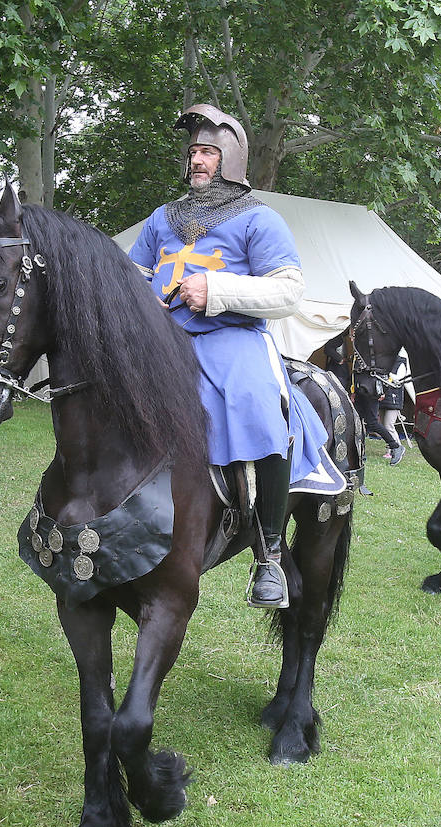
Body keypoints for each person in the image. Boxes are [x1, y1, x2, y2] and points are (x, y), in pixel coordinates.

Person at [127, 103, 332, 608]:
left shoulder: (259, 219)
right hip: (164, 337)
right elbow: (132, 270)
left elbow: (287, 293)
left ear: (231, 160)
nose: (197, 160)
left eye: (208, 152)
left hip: (232, 338)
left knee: (261, 407)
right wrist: (140, 295)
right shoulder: (162, 218)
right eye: (194, 151)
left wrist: (215, 288)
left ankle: (268, 554)